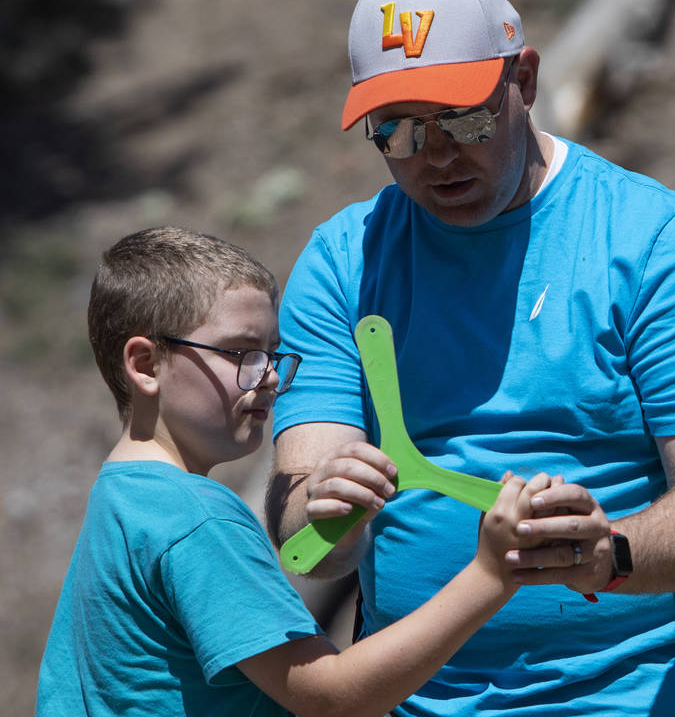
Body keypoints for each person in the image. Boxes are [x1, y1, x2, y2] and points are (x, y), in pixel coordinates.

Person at [266, 0, 675, 716]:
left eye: (462, 118)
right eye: (397, 131)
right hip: (411, 697)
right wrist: (324, 510)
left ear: (524, 82)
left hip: (620, 694)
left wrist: (610, 556)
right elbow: (305, 529)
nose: (435, 157)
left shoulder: (651, 242)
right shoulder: (345, 260)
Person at [37, 226, 551, 717]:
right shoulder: (197, 521)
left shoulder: (121, 498)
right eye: (240, 352)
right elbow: (332, 698)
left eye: (272, 354)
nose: (269, 377)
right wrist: (491, 575)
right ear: (145, 365)